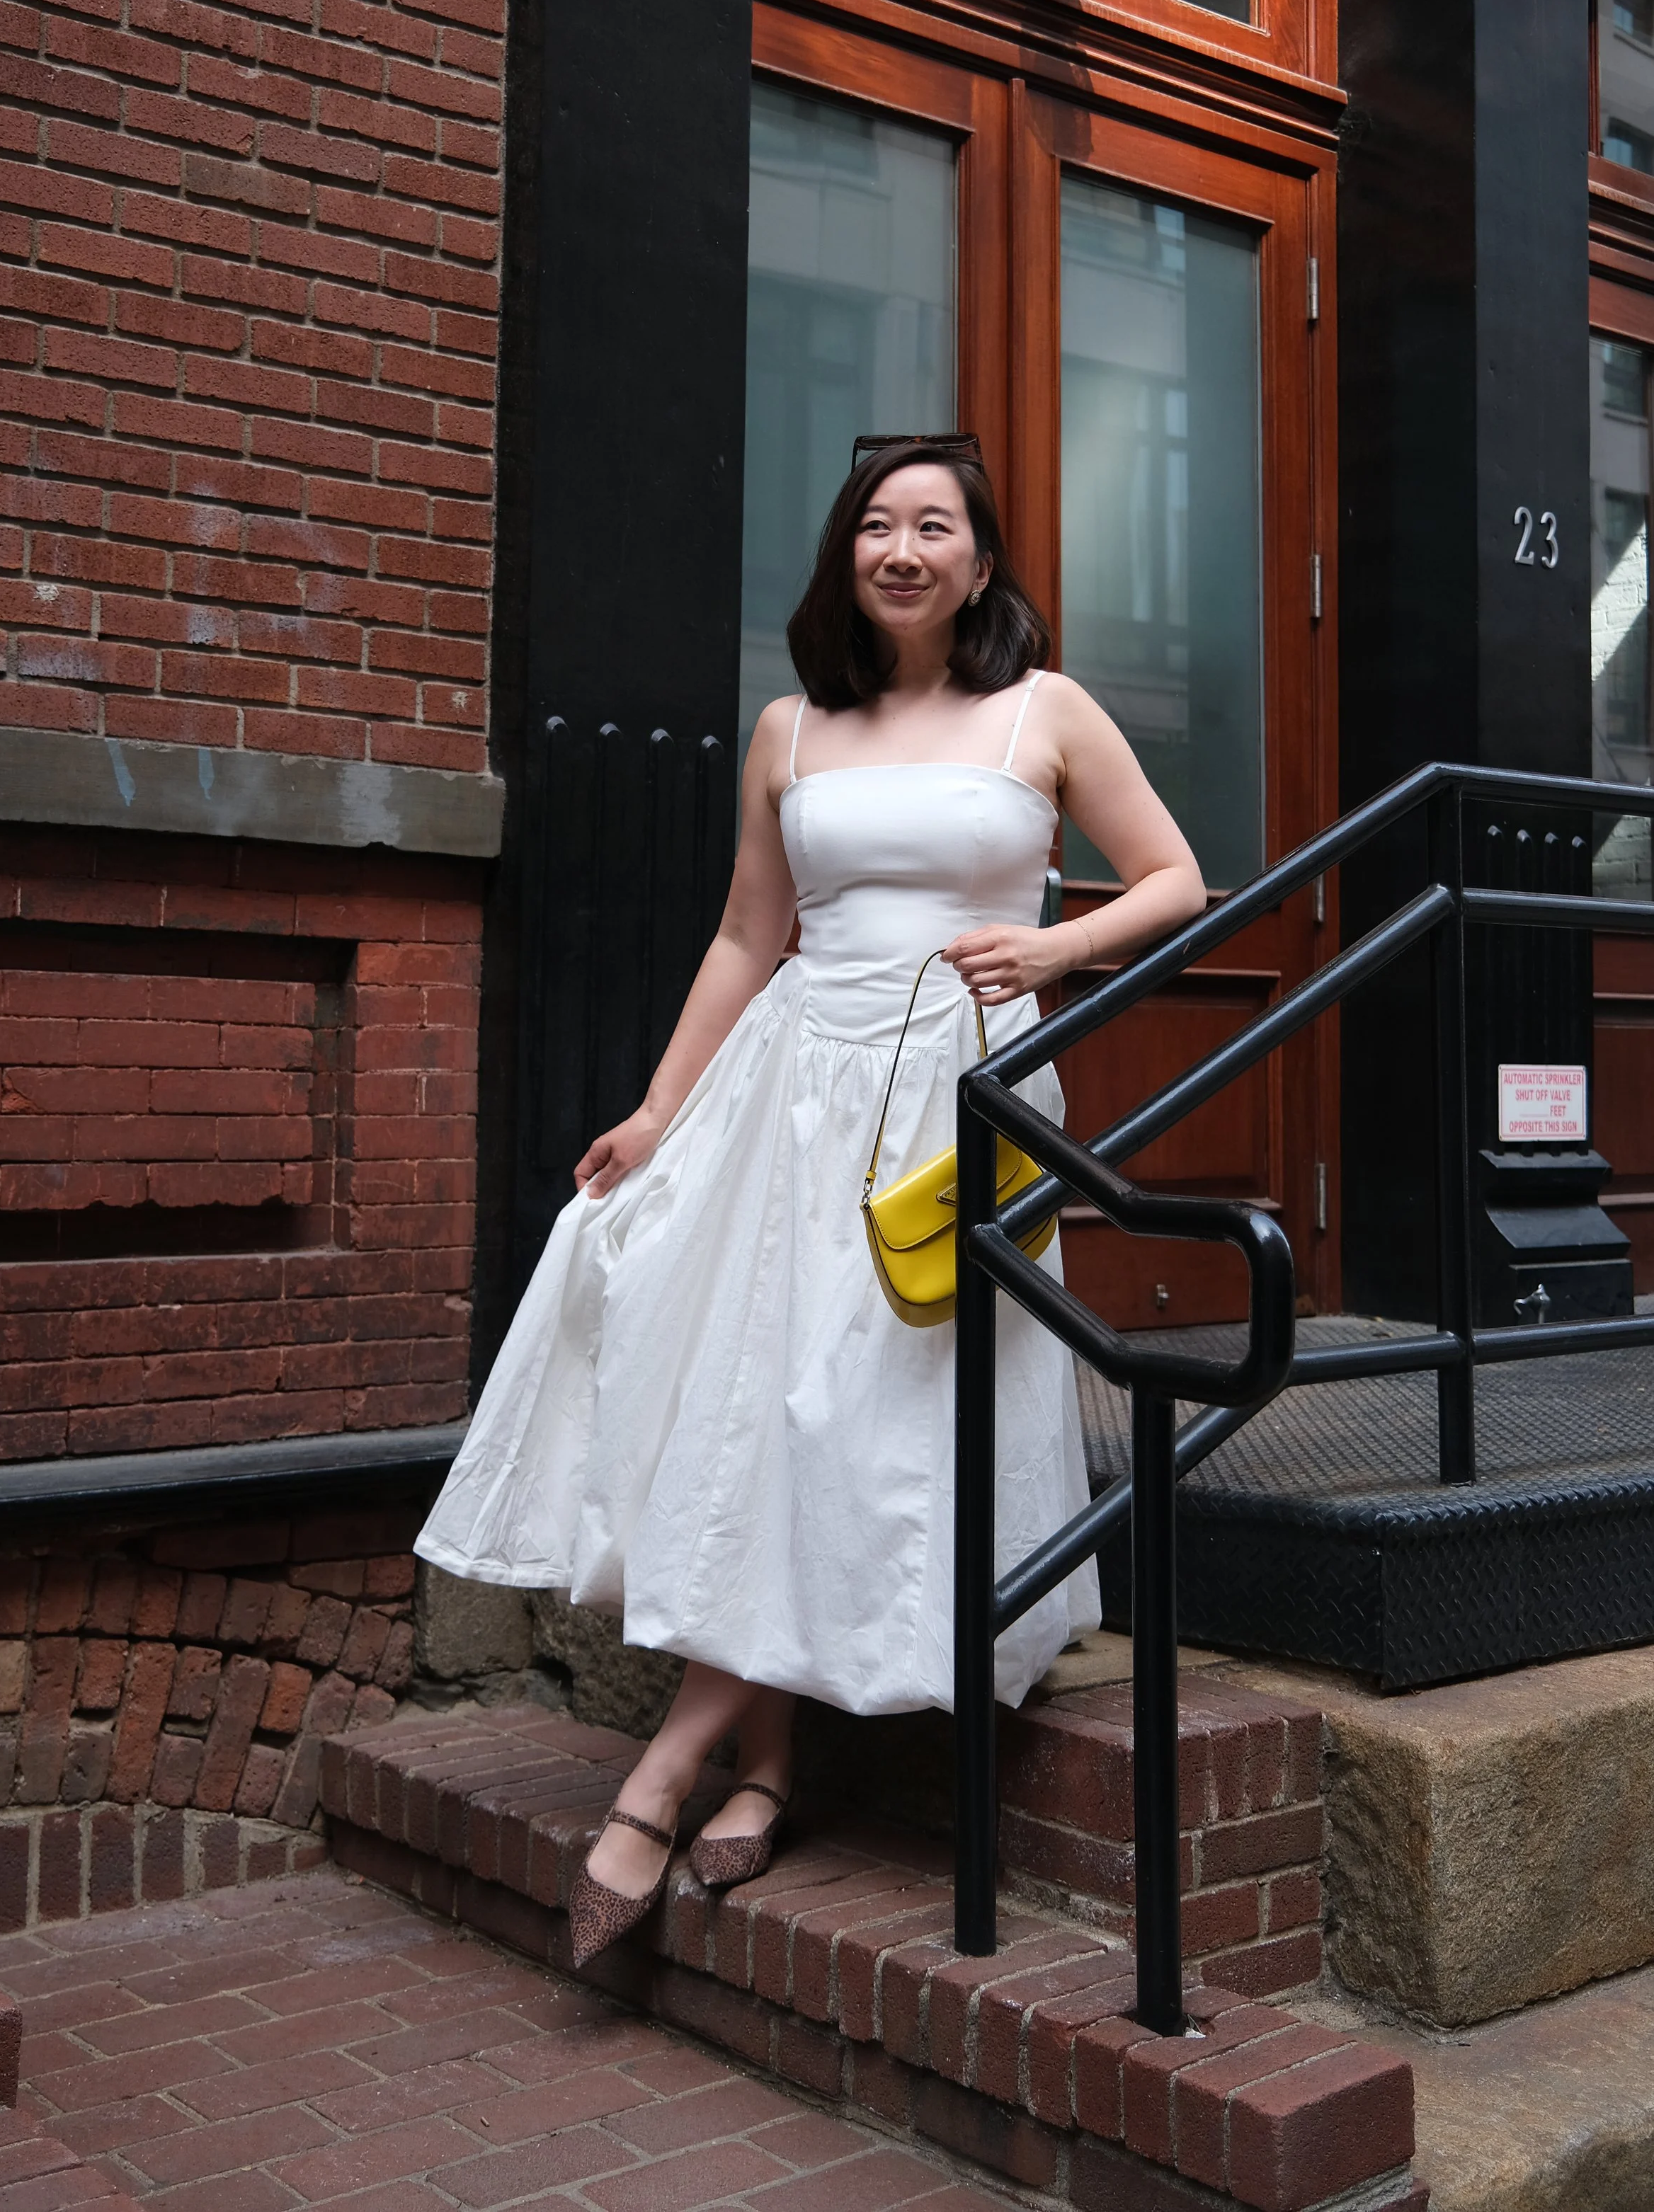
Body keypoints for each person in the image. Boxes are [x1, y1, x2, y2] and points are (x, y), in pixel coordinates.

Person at [415, 435, 1206, 1966]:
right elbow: (740, 936)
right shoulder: (789, 726)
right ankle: (765, 1760)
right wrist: (657, 1109)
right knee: (759, 1398)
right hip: (791, 1086)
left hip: (953, 1101)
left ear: (981, 563)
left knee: (848, 1407)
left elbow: (1174, 876)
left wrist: (1048, 955)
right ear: (845, 556)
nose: (901, 550)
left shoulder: (1044, 711)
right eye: (874, 527)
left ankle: (659, 1777)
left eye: (934, 526)